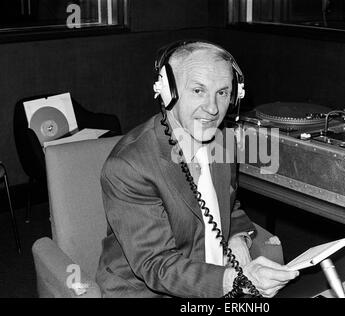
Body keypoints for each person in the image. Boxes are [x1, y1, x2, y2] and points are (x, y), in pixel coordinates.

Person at [95, 40, 299, 298]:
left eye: (223, 93)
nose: (213, 108)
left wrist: (237, 238)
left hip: (210, 278)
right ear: (169, 92)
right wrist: (232, 280)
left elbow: (228, 206)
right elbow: (156, 265)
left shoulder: (222, 140)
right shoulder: (128, 167)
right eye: (198, 90)